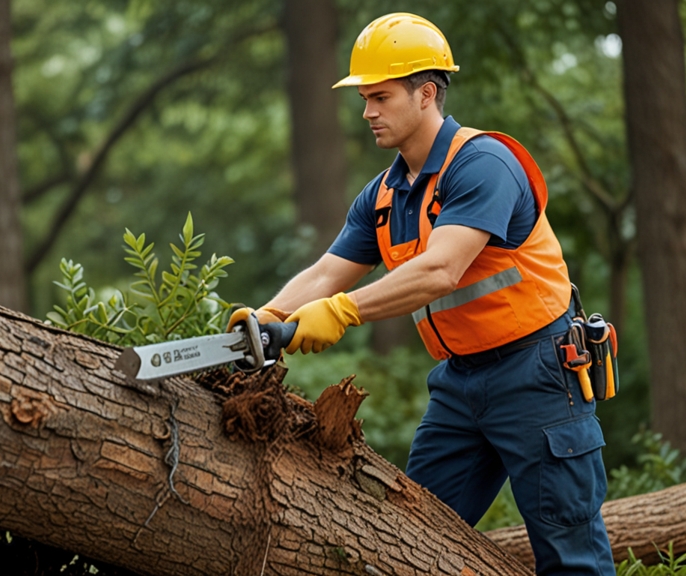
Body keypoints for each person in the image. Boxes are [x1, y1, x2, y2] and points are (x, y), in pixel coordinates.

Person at [230, 12, 615, 575]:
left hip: (537, 374)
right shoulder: (384, 195)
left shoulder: (484, 164)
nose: (367, 112)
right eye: (364, 98)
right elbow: (326, 271)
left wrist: (341, 312)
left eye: (380, 97)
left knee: (571, 556)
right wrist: (269, 316)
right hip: (460, 385)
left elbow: (441, 270)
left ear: (426, 93)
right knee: (406, 539)